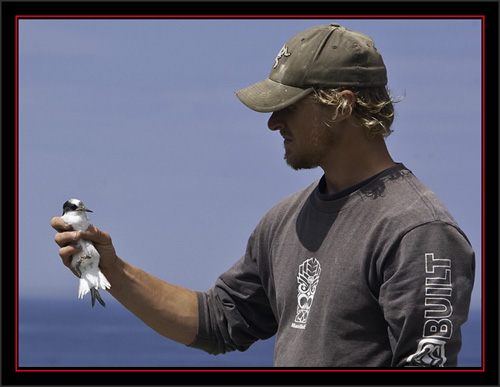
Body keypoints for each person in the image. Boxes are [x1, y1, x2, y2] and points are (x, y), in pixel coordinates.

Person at [51, 23, 475, 367]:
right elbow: (219, 321)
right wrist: (112, 269)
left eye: (288, 106)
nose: (273, 124)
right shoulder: (284, 221)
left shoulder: (417, 231)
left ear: (343, 106)